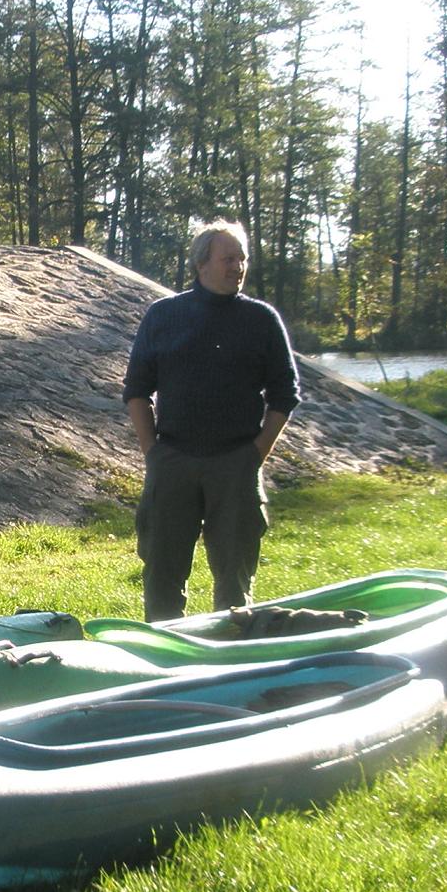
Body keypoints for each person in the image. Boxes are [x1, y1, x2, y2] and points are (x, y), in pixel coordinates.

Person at [121, 218, 300, 623]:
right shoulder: (163, 316)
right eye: (228, 258)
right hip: (173, 462)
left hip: (235, 464)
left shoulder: (261, 320)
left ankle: (232, 657)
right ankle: (164, 658)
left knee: (235, 582)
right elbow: (136, 390)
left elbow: (285, 396)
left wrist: (254, 455)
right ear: (202, 264)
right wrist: (154, 453)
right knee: (162, 575)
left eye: (243, 258)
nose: (238, 266)